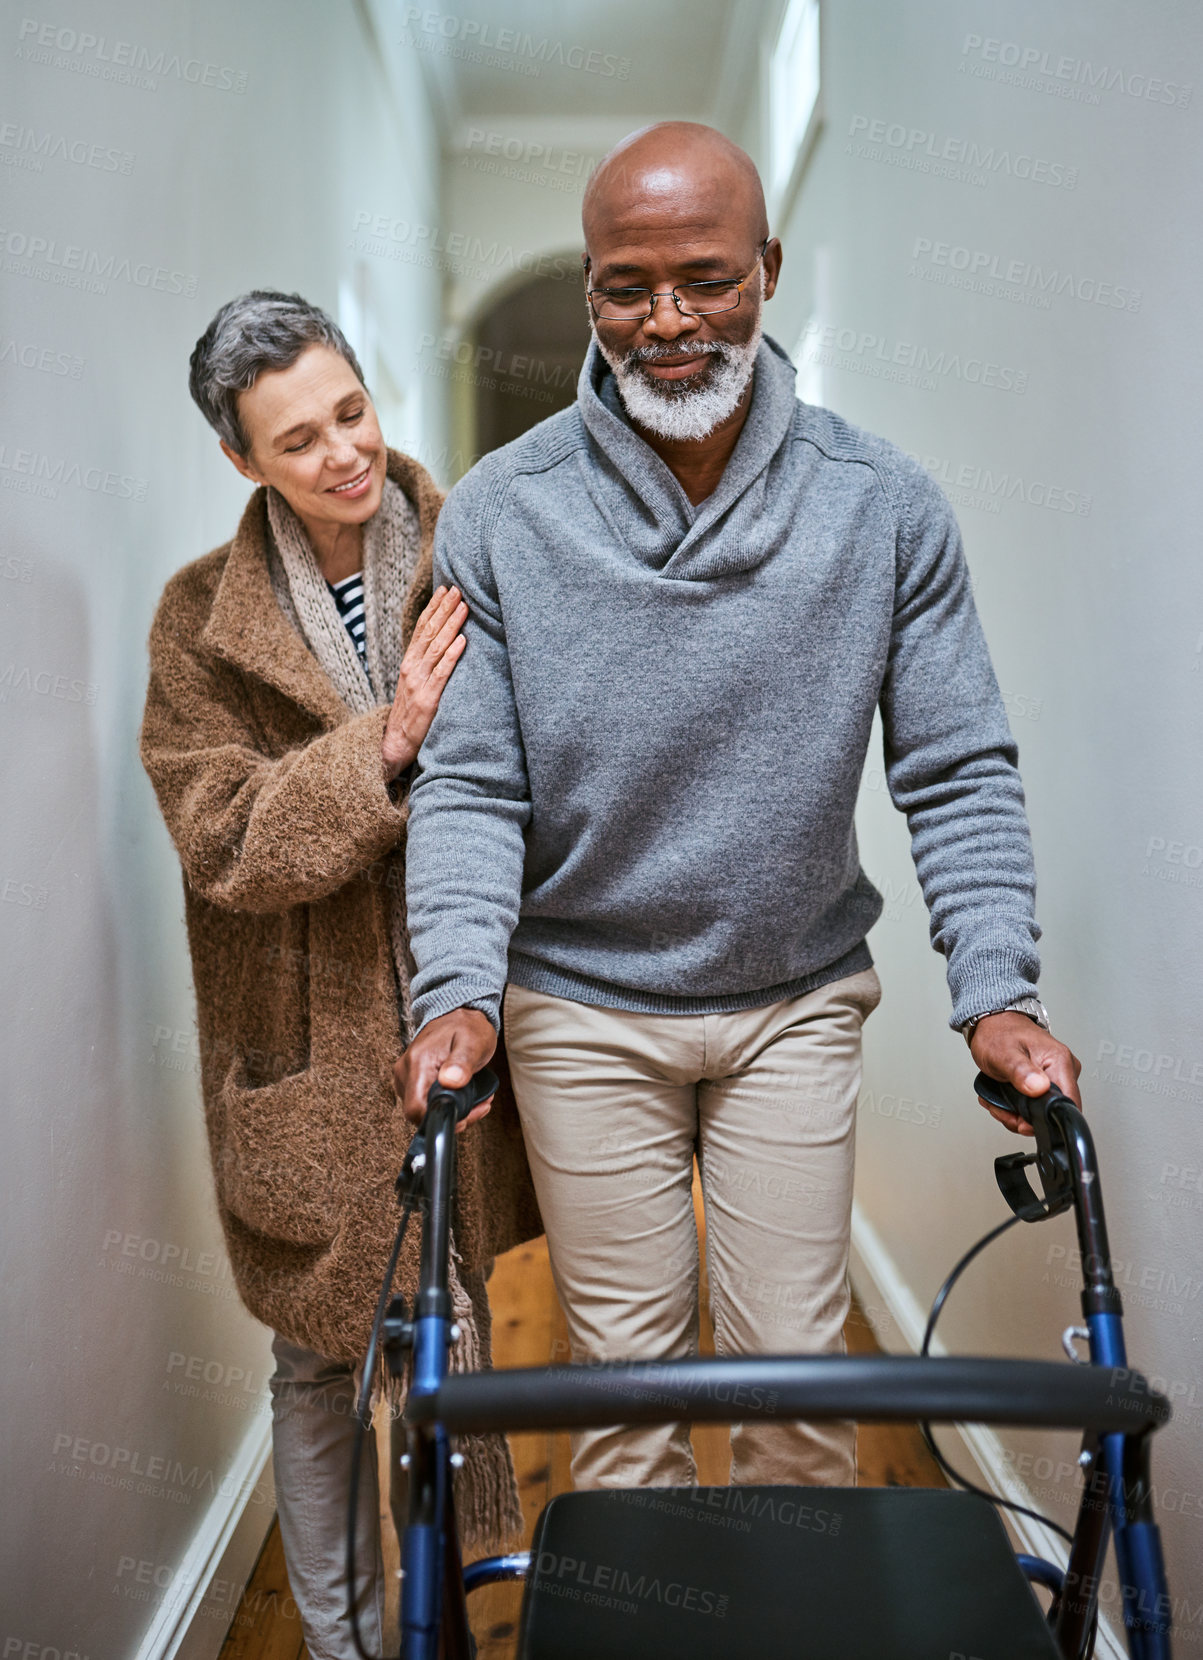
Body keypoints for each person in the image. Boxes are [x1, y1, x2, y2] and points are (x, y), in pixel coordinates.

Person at [394, 123, 1082, 1493]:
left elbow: (954, 767)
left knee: (795, 1394)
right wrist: (459, 991)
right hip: (583, 1002)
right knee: (626, 1406)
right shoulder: (498, 512)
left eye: (704, 279)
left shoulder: (882, 508)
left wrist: (997, 992)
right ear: (591, 290)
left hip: (794, 1001)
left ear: (767, 268)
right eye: (625, 285)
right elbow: (470, 783)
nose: (665, 322)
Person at [139, 291, 541, 1660]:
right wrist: (389, 741)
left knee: (453, 1334)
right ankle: (342, 1640)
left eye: (353, 413)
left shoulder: (485, 552)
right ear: (244, 461)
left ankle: (462, 1608)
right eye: (298, 440)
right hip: (306, 1056)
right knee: (319, 1368)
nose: (343, 456)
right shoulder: (198, 625)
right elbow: (223, 842)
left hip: (463, 1015)